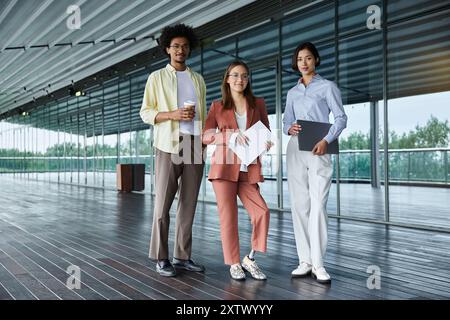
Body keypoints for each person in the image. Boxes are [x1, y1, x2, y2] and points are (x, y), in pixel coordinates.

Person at [140, 24, 206, 277]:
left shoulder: (197, 79)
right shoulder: (156, 78)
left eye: (185, 46)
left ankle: (182, 256)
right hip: (169, 143)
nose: (181, 50)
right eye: (176, 46)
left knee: (188, 203)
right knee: (163, 204)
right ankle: (161, 256)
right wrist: (172, 114)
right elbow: (146, 112)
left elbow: (200, 112)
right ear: (167, 49)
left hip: (193, 143)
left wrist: (201, 141)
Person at [282, 42, 347, 284]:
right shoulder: (292, 93)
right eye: (300, 59)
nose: (304, 63)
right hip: (296, 147)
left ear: (316, 60)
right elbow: (286, 120)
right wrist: (289, 128)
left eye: (308, 58)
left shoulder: (328, 87)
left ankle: (319, 263)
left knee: (318, 203)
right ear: (296, 63)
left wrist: (327, 139)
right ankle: (305, 261)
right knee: (300, 204)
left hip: (320, 147)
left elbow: (341, 118)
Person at [202, 60, 273, 281]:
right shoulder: (217, 106)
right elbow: (205, 136)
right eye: (234, 75)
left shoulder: (258, 103)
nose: (239, 79)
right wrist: (230, 135)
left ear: (248, 79)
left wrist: (267, 142)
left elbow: (267, 131)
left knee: (262, 212)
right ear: (227, 79)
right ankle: (233, 263)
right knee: (228, 217)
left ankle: (249, 258)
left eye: (243, 75)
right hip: (223, 168)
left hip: (248, 167)